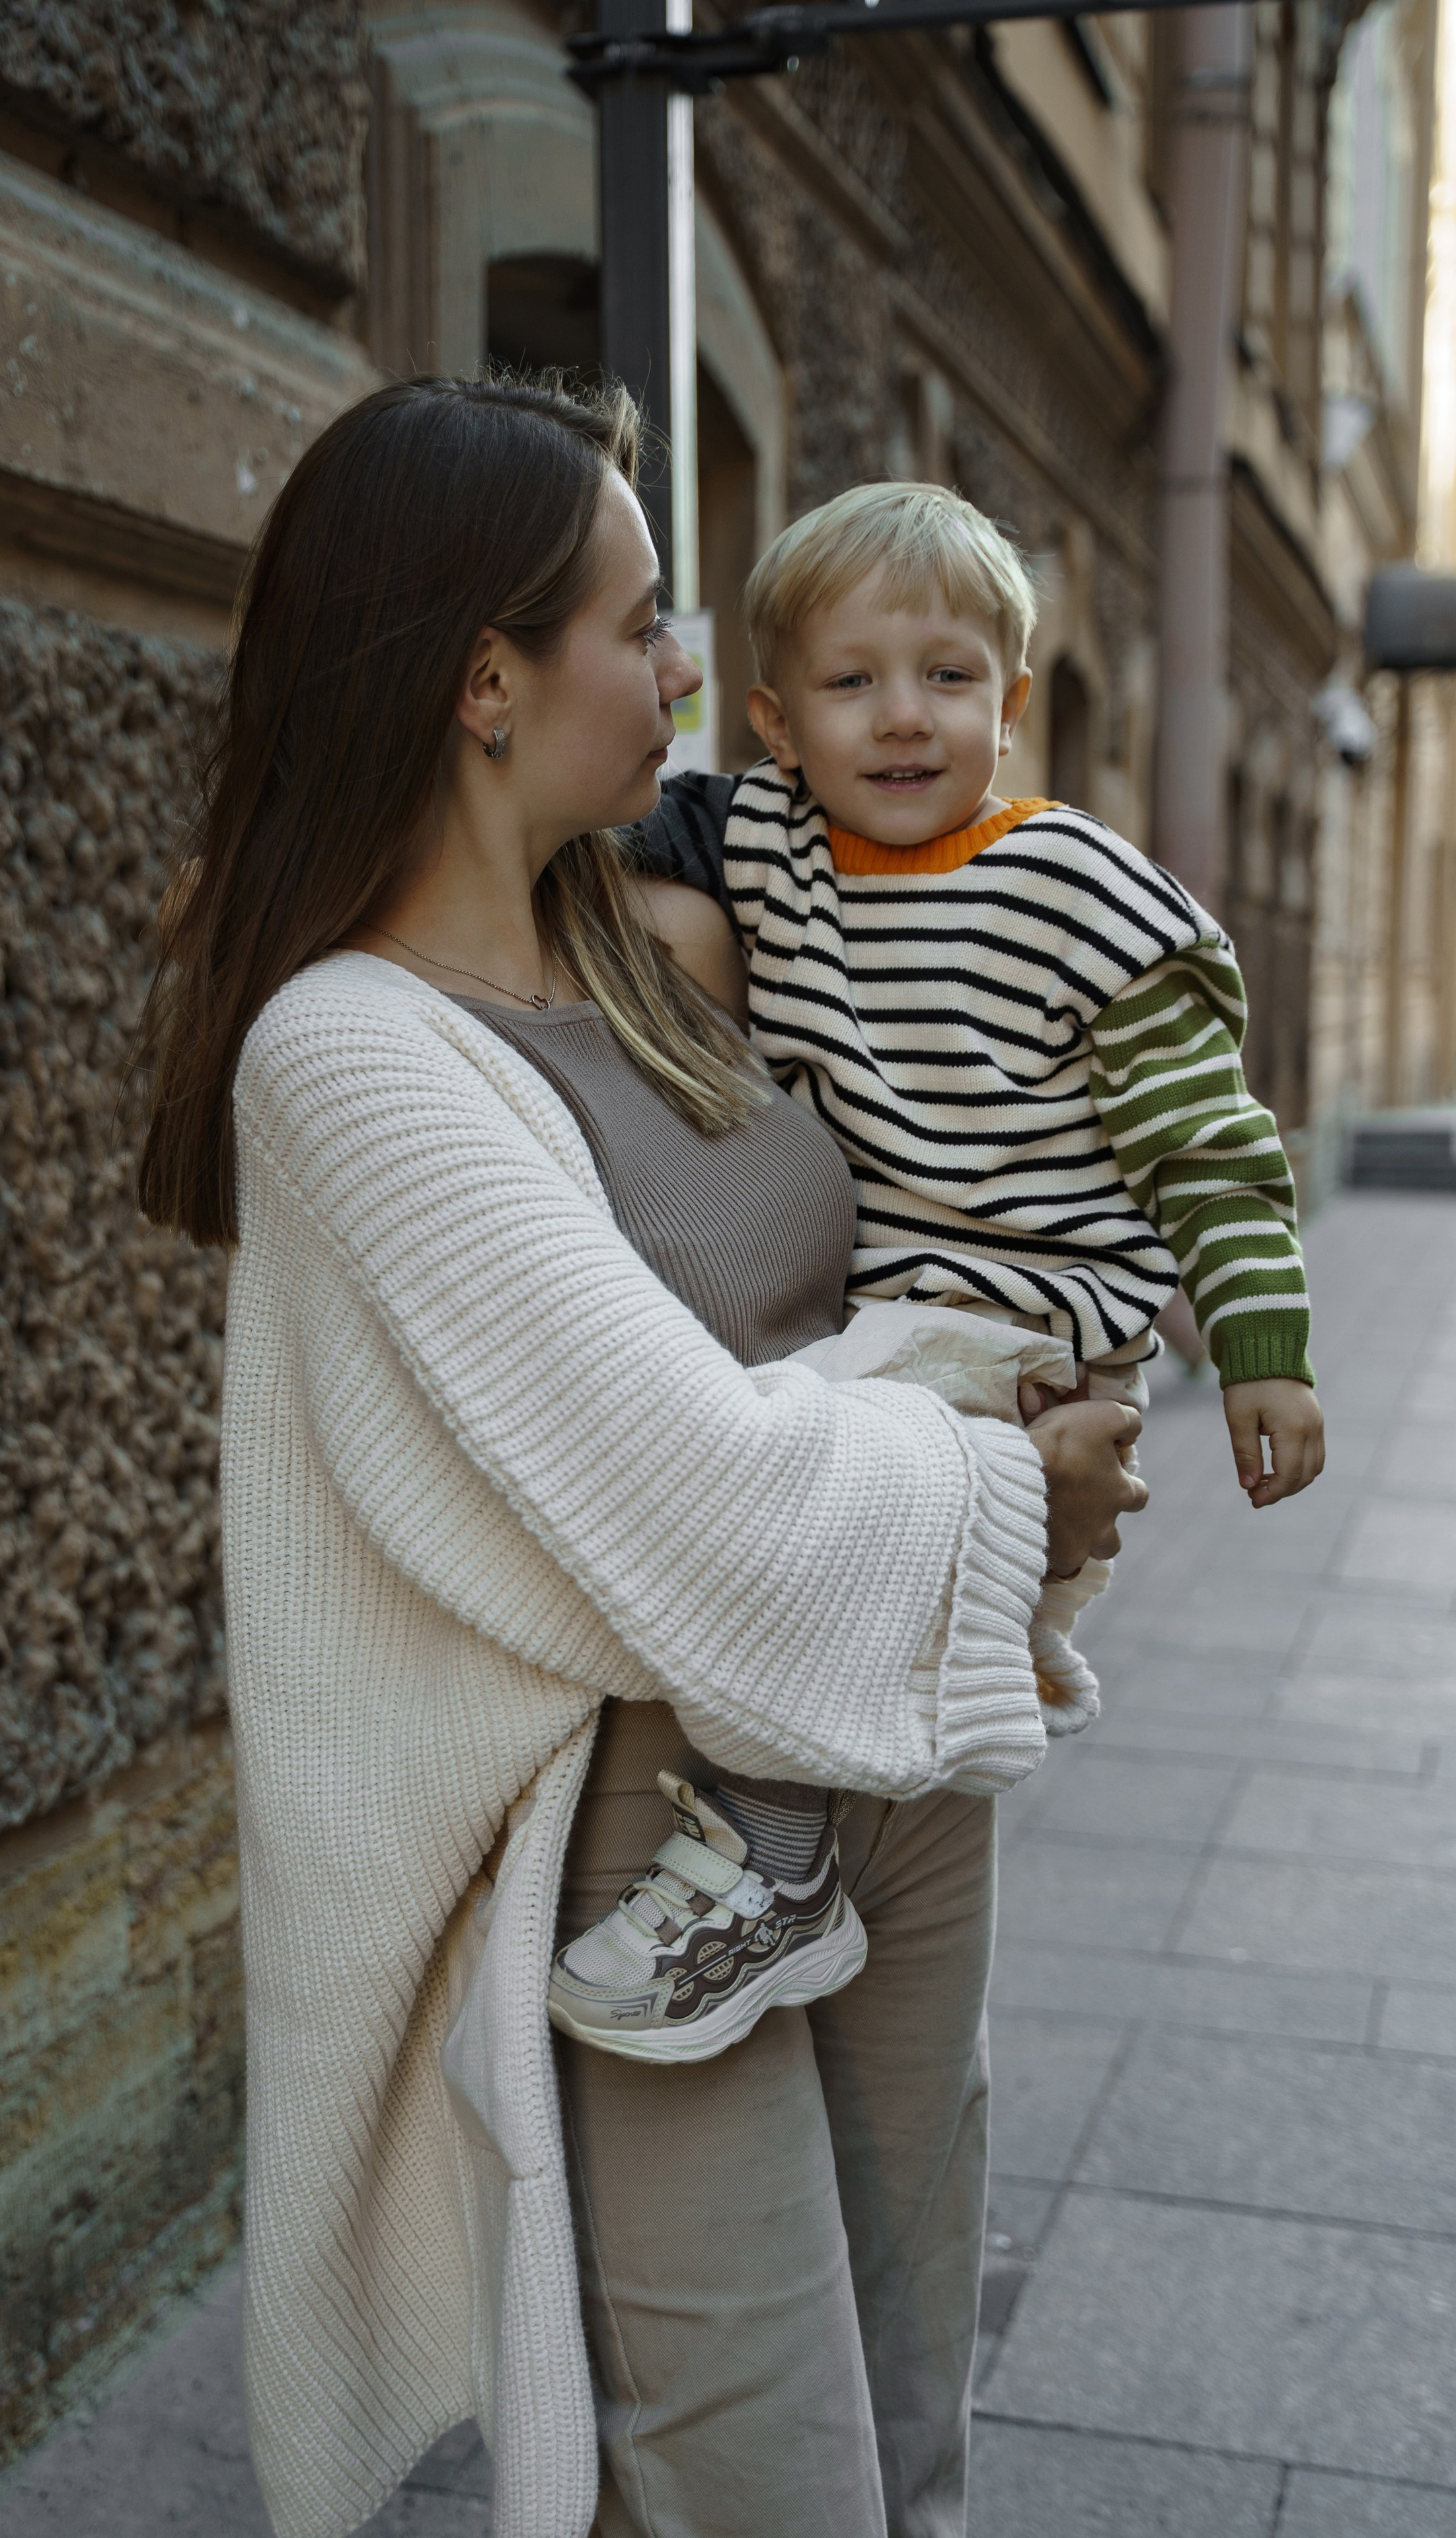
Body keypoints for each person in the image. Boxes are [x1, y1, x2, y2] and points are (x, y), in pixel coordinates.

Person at [136, 374, 1145, 2538]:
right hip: (649, 1841)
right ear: (485, 679)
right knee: (762, 2486)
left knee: (913, 2427)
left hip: (885, 1756)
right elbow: (693, 1490)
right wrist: (1006, 1483)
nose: (689, 667)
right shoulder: (353, 1055)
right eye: (641, 617)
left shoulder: (655, 942)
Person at [562, 478, 1324, 2071]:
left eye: (948, 677)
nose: (902, 719)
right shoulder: (775, 841)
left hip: (1023, 1320)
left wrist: (1258, 1343)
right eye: (849, 684)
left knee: (768, 1524)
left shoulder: (1082, 897)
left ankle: (770, 1862)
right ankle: (878, 1750)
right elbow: (613, 823)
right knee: (793, 1505)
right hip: (895, 1316)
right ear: (775, 718)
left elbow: (1208, 1140)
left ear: (1013, 699)